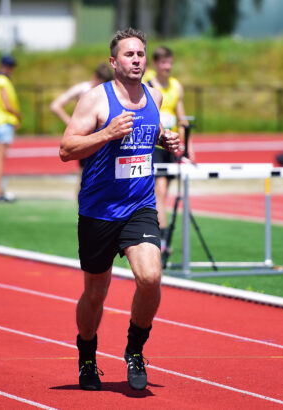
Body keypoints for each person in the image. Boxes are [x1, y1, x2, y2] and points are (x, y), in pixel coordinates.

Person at [59, 27, 180, 391]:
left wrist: (165, 139)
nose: (137, 60)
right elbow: (66, 149)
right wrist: (107, 133)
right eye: (129, 55)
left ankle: (135, 350)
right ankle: (86, 356)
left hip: (139, 206)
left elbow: (149, 131)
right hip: (98, 211)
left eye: (141, 54)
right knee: (96, 292)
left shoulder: (154, 97)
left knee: (150, 277)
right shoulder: (95, 100)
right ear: (114, 62)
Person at [143, 46, 193, 253]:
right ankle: (161, 239)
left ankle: (161, 237)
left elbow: (183, 119)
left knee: (164, 193)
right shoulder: (147, 84)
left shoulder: (176, 86)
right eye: (163, 63)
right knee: (159, 192)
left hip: (171, 143)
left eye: (170, 63)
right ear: (155, 64)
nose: (167, 67)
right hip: (155, 143)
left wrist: (187, 147)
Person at [0, 55, 20, 202]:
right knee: (0, 157)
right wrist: (17, 114)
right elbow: (6, 103)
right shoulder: (2, 81)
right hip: (3, 121)